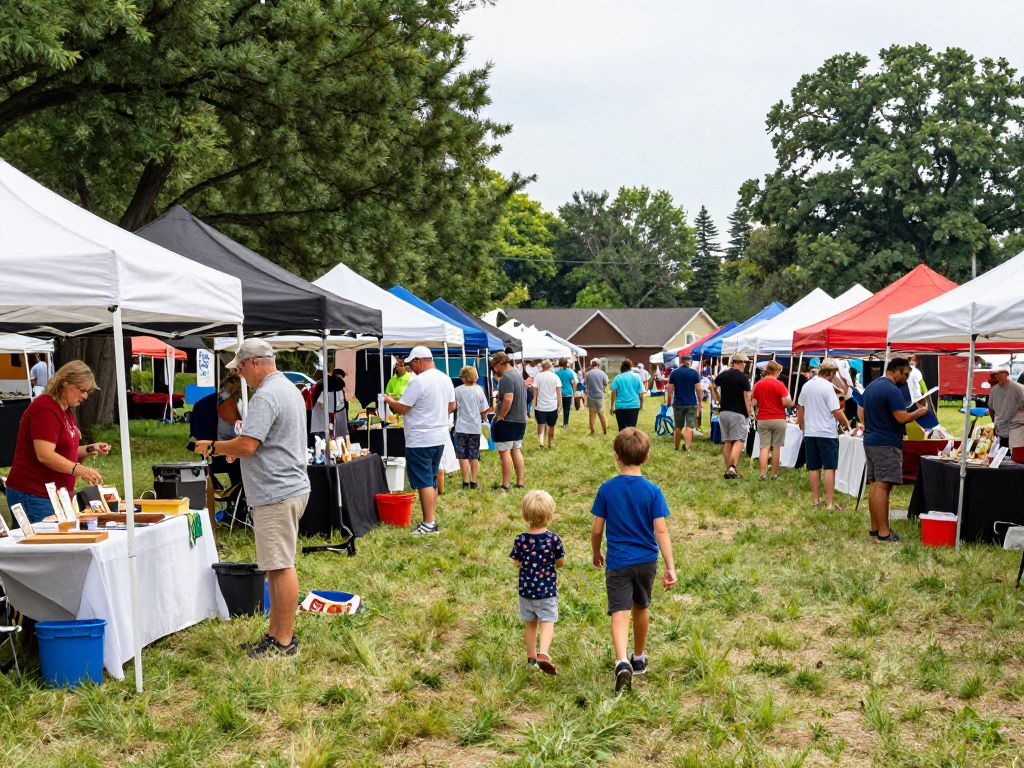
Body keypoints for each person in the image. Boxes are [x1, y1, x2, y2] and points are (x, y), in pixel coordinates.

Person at [194, 339, 309, 658]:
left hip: (276, 491)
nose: (240, 374)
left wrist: (214, 447)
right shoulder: (287, 388)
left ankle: (284, 641)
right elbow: (263, 443)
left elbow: (247, 445)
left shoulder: (268, 395)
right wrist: (240, 451)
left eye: (241, 367)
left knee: (281, 565)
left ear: (256, 363)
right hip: (286, 486)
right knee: (275, 565)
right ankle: (276, 635)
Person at [590, 428, 676, 692]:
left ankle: (621, 661)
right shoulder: (652, 490)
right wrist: (670, 566)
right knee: (641, 607)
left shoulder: (607, 489)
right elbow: (660, 530)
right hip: (646, 561)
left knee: (619, 612)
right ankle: (639, 657)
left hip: (618, 561)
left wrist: (596, 552)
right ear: (647, 457)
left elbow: (596, 529)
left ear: (616, 456)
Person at [5, 361, 109, 524]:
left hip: (54, 494)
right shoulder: (45, 409)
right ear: (65, 383)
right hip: (35, 493)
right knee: (45, 547)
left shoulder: (65, 410)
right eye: (82, 390)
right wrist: (79, 469)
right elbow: (45, 455)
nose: (85, 396)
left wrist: (89, 449)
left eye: (87, 391)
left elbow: (64, 452)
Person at [382, 347, 456, 534]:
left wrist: (389, 401)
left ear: (418, 361)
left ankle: (428, 524)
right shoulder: (445, 378)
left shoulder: (418, 382)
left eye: (411, 364)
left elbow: (403, 408)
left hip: (420, 438)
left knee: (423, 481)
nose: (410, 368)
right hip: (439, 437)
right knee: (430, 479)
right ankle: (431, 518)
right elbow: (452, 405)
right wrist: (436, 415)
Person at [861, 357, 928, 543]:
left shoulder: (872, 386)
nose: (907, 378)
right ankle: (884, 533)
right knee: (883, 486)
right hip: (887, 443)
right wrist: (918, 413)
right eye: (905, 374)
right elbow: (901, 418)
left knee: (875, 485)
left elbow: (861, 412)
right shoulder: (892, 390)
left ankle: (875, 529)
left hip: (871, 440)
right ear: (895, 371)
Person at [510, 490, 564, 675]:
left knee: (530, 623)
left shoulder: (521, 539)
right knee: (547, 621)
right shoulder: (553, 539)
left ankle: (531, 659)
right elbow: (560, 562)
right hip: (546, 591)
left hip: (526, 591)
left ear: (526, 515)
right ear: (550, 515)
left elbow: (516, 562)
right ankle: (544, 653)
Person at [797, 360, 850, 509]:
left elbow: (800, 407)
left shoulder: (807, 385)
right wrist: (847, 424)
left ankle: (816, 501)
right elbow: (836, 411)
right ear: (831, 374)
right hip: (826, 432)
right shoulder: (827, 387)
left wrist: (801, 425)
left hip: (810, 432)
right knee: (829, 467)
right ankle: (830, 503)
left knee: (813, 467)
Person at [489, 352, 527, 490]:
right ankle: (520, 482)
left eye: (494, 366)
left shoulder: (505, 377)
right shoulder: (517, 375)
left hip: (508, 421)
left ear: (500, 364)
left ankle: (505, 484)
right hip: (520, 419)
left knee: (504, 453)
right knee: (516, 450)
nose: (494, 370)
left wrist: (501, 415)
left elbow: (508, 399)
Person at [712, 354, 752, 480]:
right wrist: (750, 412)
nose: (745, 365)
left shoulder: (723, 374)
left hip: (723, 412)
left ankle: (728, 469)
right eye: (744, 363)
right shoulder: (743, 378)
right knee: (739, 440)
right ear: (739, 362)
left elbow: (712, 386)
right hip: (738, 413)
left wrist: (717, 399)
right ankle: (732, 467)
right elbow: (746, 396)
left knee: (728, 441)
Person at [752, 360, 794, 480]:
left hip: (763, 418)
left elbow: (754, 402)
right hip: (778, 418)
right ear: (775, 371)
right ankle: (774, 474)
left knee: (764, 447)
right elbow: (785, 402)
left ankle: (762, 474)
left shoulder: (758, 384)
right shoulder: (780, 384)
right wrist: (792, 403)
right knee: (776, 447)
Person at [453, 366, 492, 489]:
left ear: (463, 378)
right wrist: (484, 417)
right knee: (474, 456)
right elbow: (484, 409)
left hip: (460, 427)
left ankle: (465, 481)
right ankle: (474, 482)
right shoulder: (479, 390)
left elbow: (454, 407)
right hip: (474, 427)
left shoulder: (457, 390)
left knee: (462, 457)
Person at [666, 355, 702, 452]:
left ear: (680, 362)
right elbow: (698, 389)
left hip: (678, 403)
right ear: (689, 362)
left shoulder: (674, 373)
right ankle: (687, 447)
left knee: (678, 427)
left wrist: (668, 402)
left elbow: (670, 390)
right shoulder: (694, 373)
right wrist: (700, 402)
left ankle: (676, 447)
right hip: (691, 403)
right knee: (689, 426)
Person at [987, 364, 1024, 455]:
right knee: (1002, 454)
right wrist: (995, 423)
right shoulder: (994, 390)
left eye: (1000, 374)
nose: (998, 377)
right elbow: (991, 409)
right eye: (996, 375)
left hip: (1016, 428)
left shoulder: (1018, 388)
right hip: (1001, 427)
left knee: (1015, 454)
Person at [216, 374, 244, 487]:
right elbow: (235, 422)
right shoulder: (225, 398)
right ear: (231, 382)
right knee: (237, 477)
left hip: (225, 440)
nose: (239, 388)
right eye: (238, 385)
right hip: (228, 443)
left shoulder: (222, 397)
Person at [310, 368, 348, 442]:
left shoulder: (322, 385)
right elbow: (339, 403)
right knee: (327, 440)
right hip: (326, 417)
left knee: (323, 440)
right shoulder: (337, 386)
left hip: (324, 417)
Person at [532, 359, 562, 449]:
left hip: (540, 406)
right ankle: (550, 443)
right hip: (552, 406)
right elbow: (559, 393)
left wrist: (534, 404)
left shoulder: (538, 376)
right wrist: (560, 405)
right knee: (551, 426)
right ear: (550, 367)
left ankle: (541, 442)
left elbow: (535, 392)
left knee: (540, 425)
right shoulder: (555, 377)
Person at [610, 360, 644, 432]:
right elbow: (641, 393)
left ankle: (622, 442)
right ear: (630, 367)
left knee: (622, 429)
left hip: (620, 406)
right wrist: (641, 405)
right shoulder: (637, 377)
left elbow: (613, 393)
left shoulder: (617, 378)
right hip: (634, 406)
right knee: (632, 429)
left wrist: (612, 406)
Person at [585, 359, 609, 436]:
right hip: (600, 396)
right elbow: (606, 383)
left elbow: (586, 385)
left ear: (592, 365)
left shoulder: (588, 374)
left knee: (591, 414)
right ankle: (605, 431)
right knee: (601, 414)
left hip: (591, 396)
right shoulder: (603, 373)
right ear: (598, 365)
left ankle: (592, 430)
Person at [555, 358, 576, 428]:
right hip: (568, 393)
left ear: (559, 364)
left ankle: (553, 422)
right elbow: (574, 382)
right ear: (567, 363)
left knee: (557, 408)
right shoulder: (570, 372)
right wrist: (574, 391)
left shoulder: (556, 372)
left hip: (558, 393)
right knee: (566, 410)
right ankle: (565, 424)